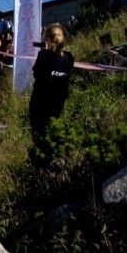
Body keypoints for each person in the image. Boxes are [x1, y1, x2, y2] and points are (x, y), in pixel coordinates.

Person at [28, 24, 74, 165]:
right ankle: (52, 159)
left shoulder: (43, 55)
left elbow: (36, 73)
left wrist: (45, 49)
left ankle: (40, 162)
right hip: (58, 102)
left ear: (47, 39)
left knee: (38, 133)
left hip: (40, 101)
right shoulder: (69, 57)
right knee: (51, 131)